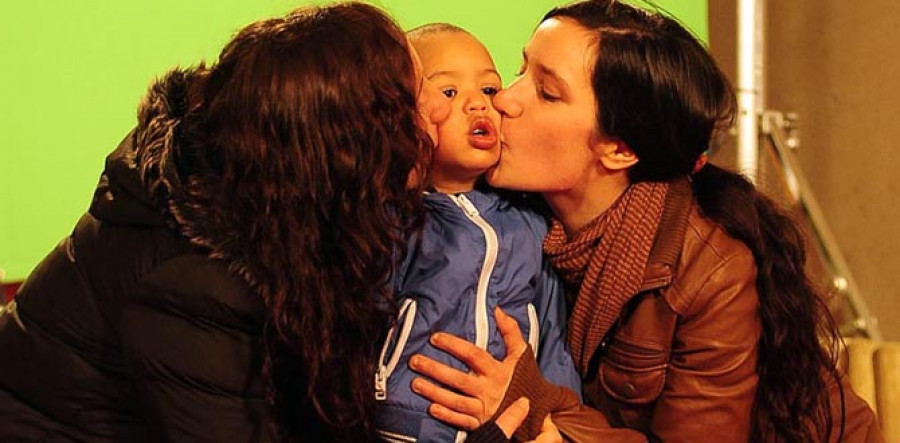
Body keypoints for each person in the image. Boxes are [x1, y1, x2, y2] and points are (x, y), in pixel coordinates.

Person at [407, 1, 883, 442]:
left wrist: (532, 401)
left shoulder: (712, 271)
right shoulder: (503, 215)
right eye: (518, 70)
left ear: (618, 149)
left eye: (547, 92)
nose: (504, 100)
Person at [0, 3, 452, 441]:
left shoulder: (288, 217)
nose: (438, 109)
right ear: (343, 145)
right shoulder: (196, 283)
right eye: (411, 98)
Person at [373, 23, 580, 443]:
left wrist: (559, 415)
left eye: (489, 90)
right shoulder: (397, 216)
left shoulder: (529, 218)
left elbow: (553, 331)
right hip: (413, 423)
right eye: (449, 93)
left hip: (510, 424)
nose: (477, 105)